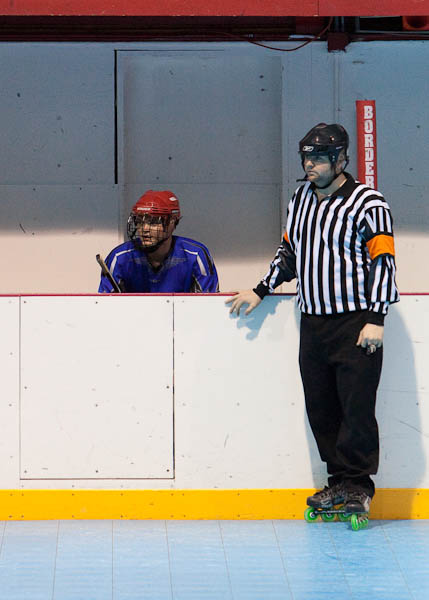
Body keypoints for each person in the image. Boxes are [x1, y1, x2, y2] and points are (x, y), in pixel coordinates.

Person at [226, 123, 399, 516]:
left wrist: (376, 316)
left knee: (356, 407)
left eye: (319, 158)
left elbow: (383, 261)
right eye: (306, 157)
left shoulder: (368, 202)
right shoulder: (300, 198)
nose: (310, 164)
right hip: (314, 322)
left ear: (341, 160)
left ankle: (358, 485)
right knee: (321, 408)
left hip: (356, 322)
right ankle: (337, 482)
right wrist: (261, 289)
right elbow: (288, 252)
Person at [98, 190, 219, 293]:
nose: (144, 229)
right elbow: (105, 309)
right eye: (139, 221)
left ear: (172, 222)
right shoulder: (119, 258)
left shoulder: (195, 255)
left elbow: (207, 306)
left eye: (153, 222)